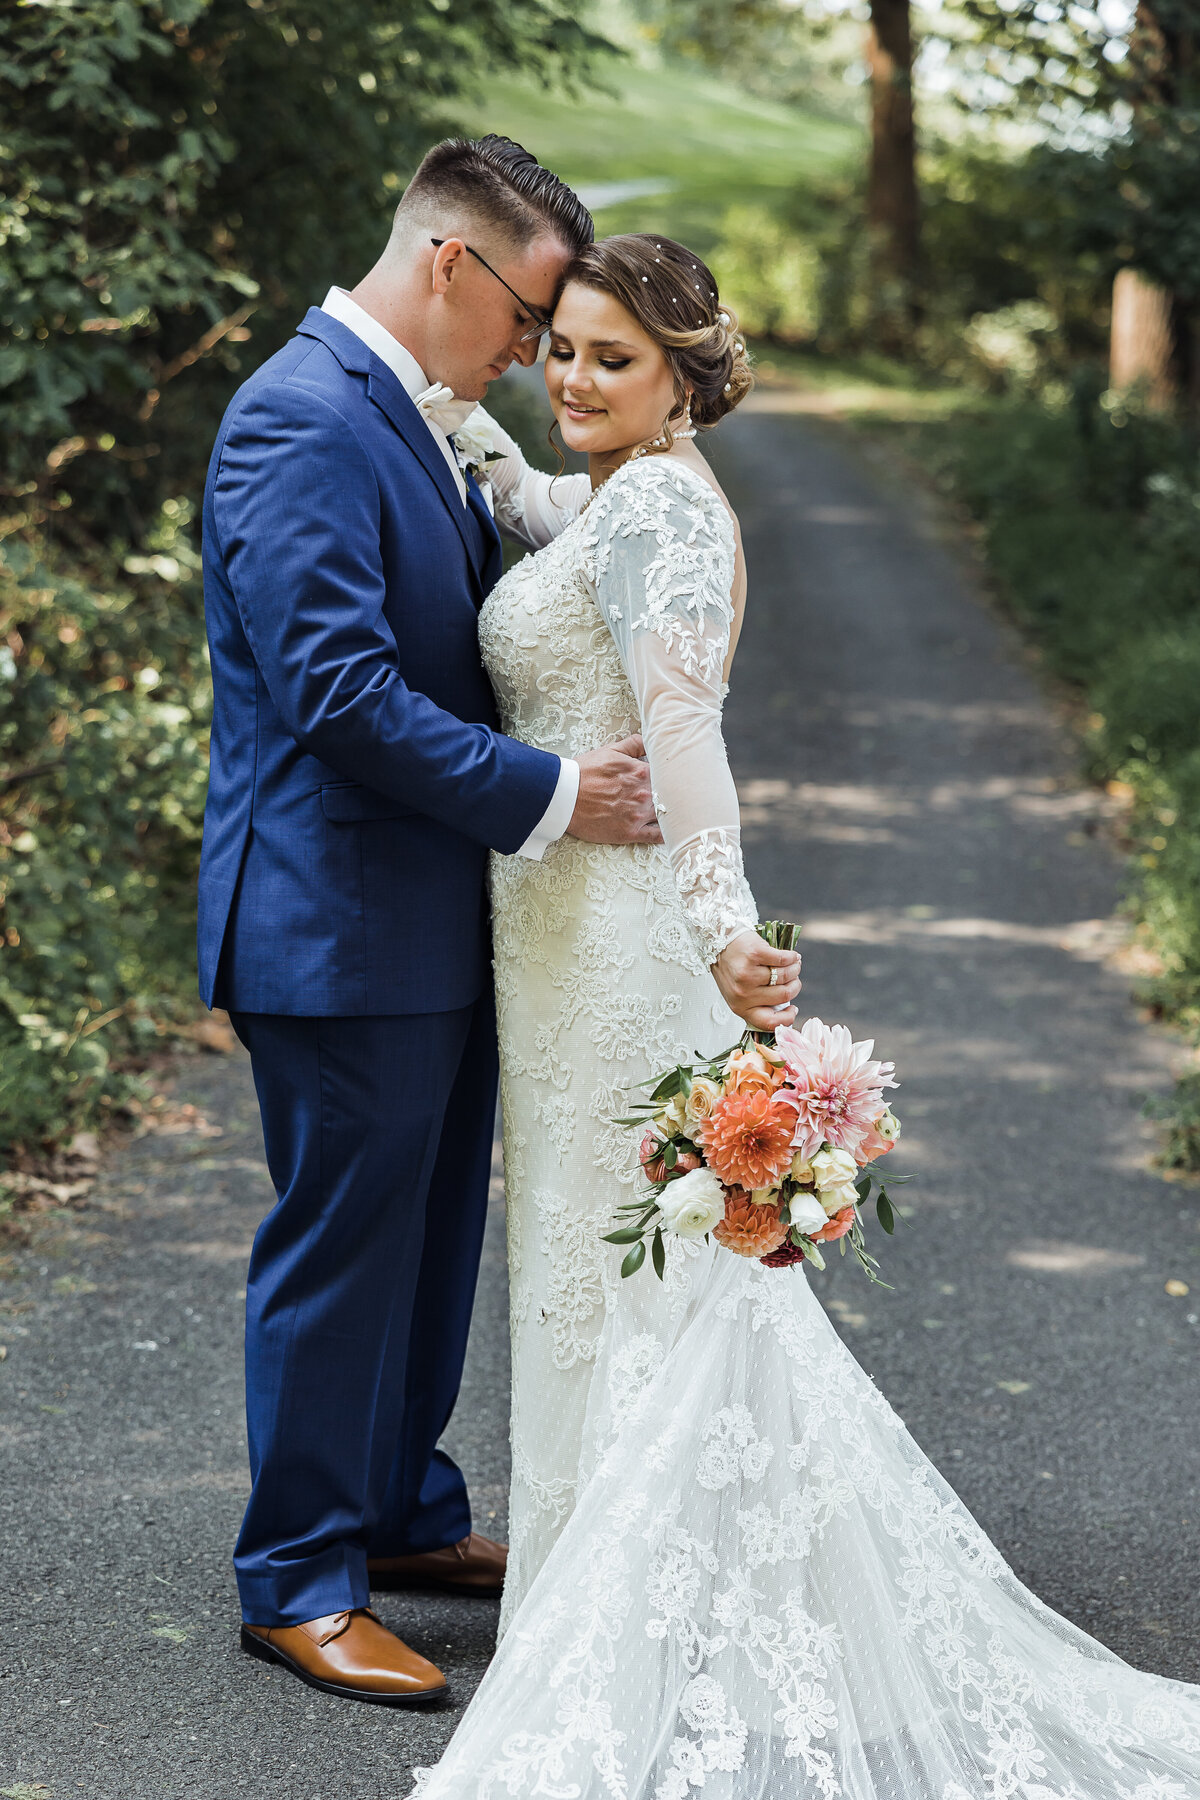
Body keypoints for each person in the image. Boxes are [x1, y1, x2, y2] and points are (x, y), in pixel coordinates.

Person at [414, 233, 1200, 1796]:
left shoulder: (671, 524)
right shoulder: (619, 493)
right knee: (585, 1276)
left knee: (644, 1291)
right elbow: (536, 512)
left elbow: (688, 735)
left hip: (636, 953)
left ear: (685, 374)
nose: (573, 377)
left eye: (610, 357)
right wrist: (452, 409)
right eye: (561, 346)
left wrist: (727, 940)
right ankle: (604, 1600)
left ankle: (639, 1636)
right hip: (562, 946)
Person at [197, 136, 670, 1707]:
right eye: (532, 317)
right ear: (451, 262)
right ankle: (298, 1579)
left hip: (433, 910)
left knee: (425, 1246)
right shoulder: (297, 416)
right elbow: (336, 692)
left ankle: (397, 1513)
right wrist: (551, 793)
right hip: (333, 919)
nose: (536, 355)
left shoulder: (424, 419)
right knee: (342, 1249)